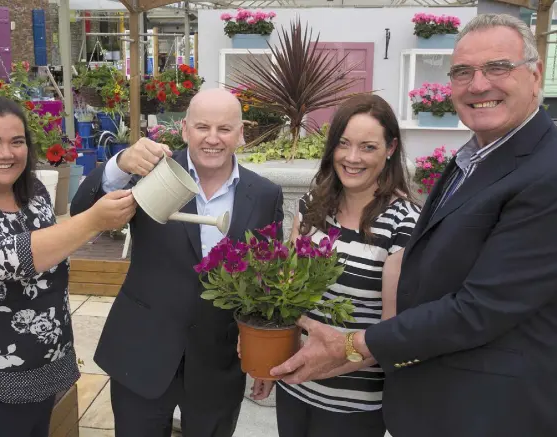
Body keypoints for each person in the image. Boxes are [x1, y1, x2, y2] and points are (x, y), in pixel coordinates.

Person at [270, 13, 557, 437]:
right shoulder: (472, 157)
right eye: (462, 72)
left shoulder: (545, 172)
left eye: (497, 67)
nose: (478, 85)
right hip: (432, 400)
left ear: (536, 76)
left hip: (487, 410)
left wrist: (352, 345)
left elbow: (480, 309)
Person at [70, 88, 284, 437]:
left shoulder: (264, 195)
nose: (212, 138)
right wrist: (119, 164)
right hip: (142, 353)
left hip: (218, 362)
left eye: (225, 128)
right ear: (184, 129)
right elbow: (81, 211)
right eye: (202, 127)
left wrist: (264, 360)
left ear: (241, 133)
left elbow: (265, 280)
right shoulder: (151, 174)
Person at [0, 96, 136, 437]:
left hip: (41, 375)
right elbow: (7, 258)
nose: (6, 153)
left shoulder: (35, 195)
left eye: (17, 142)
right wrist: (92, 221)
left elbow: (53, 252)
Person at [260, 94, 419, 437]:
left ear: (390, 149)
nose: (351, 157)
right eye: (343, 144)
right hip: (294, 386)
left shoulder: (403, 225)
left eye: (367, 147)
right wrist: (273, 362)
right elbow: (284, 295)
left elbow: (393, 335)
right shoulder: (311, 207)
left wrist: (328, 360)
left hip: (353, 405)